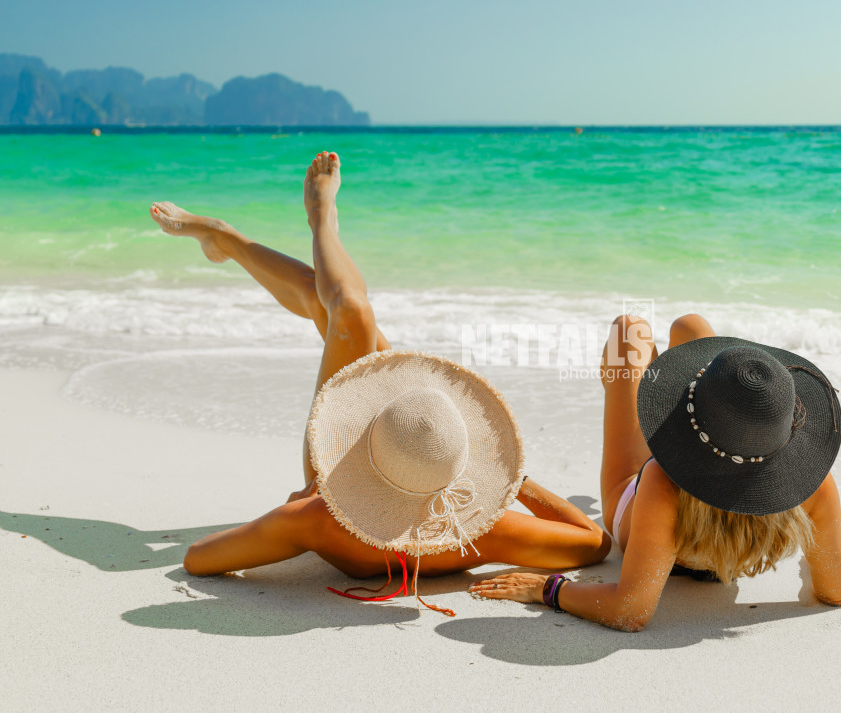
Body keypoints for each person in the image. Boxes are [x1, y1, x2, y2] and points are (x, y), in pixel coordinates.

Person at [148, 152, 609, 603]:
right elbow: (594, 541)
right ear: (457, 463)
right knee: (347, 316)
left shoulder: (314, 518)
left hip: (338, 481)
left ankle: (293, 225)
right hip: (411, 490)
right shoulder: (484, 528)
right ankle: (249, 235)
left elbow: (199, 559)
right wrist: (511, 480)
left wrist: (292, 515)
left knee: (348, 313)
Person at [471, 314, 841, 630]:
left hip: (665, 532)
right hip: (733, 550)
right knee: (691, 327)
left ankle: (676, 403)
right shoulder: (814, 484)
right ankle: (699, 408)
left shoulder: (659, 481)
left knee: (629, 332)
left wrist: (549, 589)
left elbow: (630, 609)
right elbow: (839, 591)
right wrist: (821, 556)